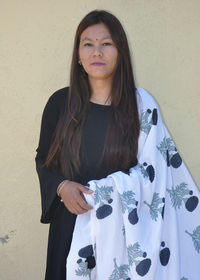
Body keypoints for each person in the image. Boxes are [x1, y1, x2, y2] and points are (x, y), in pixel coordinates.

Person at [35, 9, 200, 280]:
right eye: (88, 44)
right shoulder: (60, 104)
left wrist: (106, 192)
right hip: (70, 227)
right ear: (78, 55)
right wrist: (62, 187)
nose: (96, 52)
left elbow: (156, 175)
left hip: (124, 238)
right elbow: (43, 159)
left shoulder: (140, 106)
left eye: (106, 44)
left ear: (120, 52)